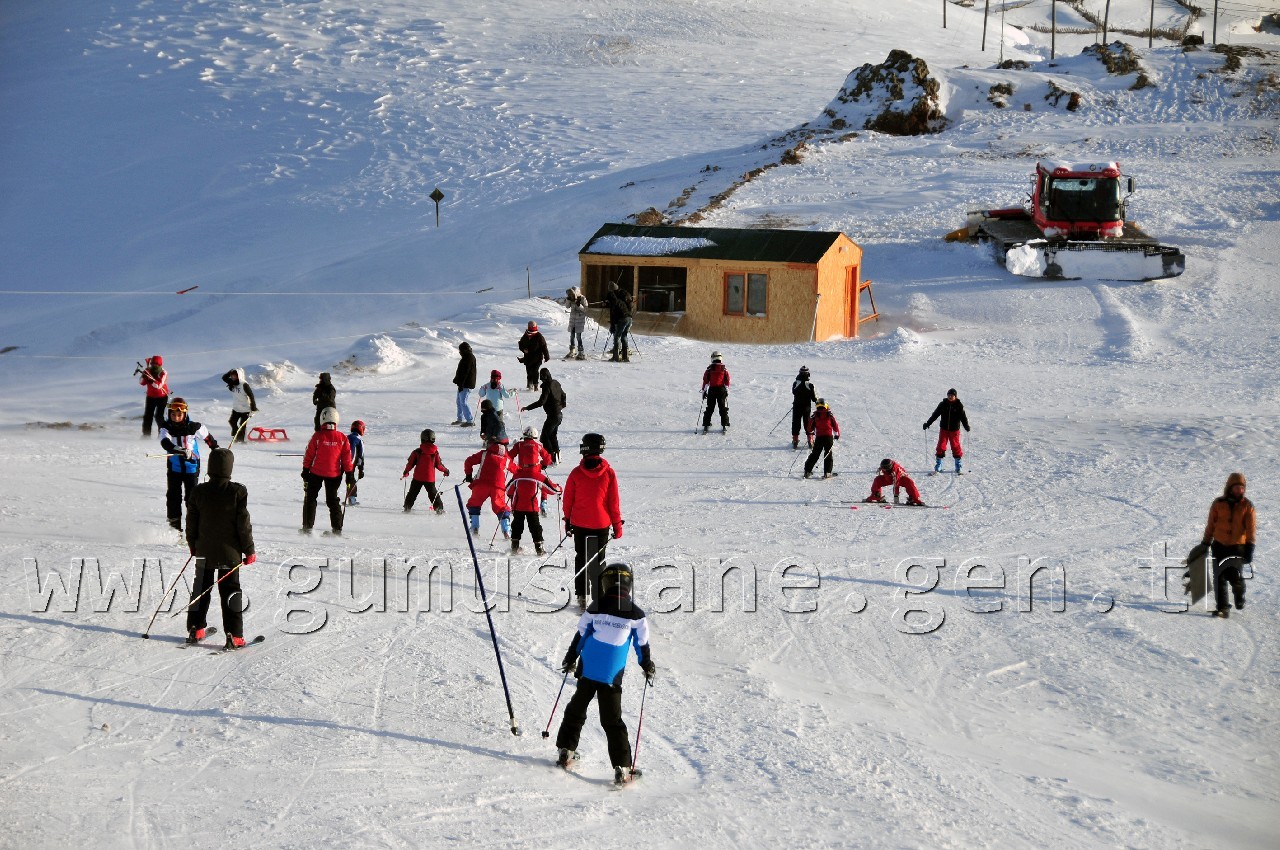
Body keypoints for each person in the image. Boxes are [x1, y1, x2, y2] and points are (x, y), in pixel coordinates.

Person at [555, 562, 655, 786]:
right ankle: (622, 767)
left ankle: (566, 750)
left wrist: (571, 657)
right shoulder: (636, 614)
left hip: (588, 670)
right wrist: (646, 665)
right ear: (629, 585)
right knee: (612, 720)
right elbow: (642, 644)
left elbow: (581, 635)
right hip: (611, 676)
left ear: (605, 583)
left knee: (576, 710)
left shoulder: (594, 607)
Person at [184, 447, 255, 649]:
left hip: (203, 550)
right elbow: (243, 525)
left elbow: (191, 522)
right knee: (231, 591)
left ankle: (195, 628)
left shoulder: (198, 491)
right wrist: (249, 550)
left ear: (209, 466)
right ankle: (235, 635)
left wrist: (192, 545)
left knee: (200, 589)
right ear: (229, 468)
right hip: (230, 553)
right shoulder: (237, 492)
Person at [563, 433, 623, 609]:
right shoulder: (609, 474)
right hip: (601, 524)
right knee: (598, 561)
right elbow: (613, 502)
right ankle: (598, 596)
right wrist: (617, 525)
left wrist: (567, 520)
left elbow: (568, 500)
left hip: (580, 524)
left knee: (581, 558)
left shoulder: (576, 473)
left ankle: (581, 595)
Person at [159, 398, 219, 530]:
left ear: (185, 414)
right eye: (173, 415)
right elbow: (165, 443)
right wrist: (179, 450)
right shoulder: (166, 427)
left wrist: (217, 450)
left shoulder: (194, 427)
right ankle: (174, 528)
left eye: (179, 415)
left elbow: (209, 439)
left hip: (191, 468)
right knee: (173, 497)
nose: (176, 417)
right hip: (174, 468)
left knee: (191, 498)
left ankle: (193, 528)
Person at [1201, 471, 1255, 618]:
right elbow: (1211, 525)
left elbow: (1251, 529)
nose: (1240, 491)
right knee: (1219, 577)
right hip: (1219, 546)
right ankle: (1222, 608)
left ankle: (1239, 593)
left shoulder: (1247, 506)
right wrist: (1206, 542)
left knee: (1233, 575)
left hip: (1237, 547)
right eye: (1237, 487)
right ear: (1230, 488)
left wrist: (1250, 547)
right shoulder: (1218, 504)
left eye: (1242, 488)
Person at [301, 406, 353, 535]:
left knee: (310, 498)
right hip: (334, 474)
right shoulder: (342, 438)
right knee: (332, 500)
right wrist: (349, 474)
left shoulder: (317, 436)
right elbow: (347, 459)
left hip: (316, 473)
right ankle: (337, 529)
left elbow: (309, 454)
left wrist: (305, 469)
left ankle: (307, 528)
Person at [464, 435, 514, 537]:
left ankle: (474, 527)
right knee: (500, 507)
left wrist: (468, 475)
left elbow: (468, 461)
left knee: (474, 503)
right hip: (498, 486)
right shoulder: (506, 458)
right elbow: (517, 471)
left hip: (481, 484)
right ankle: (506, 530)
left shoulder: (484, 454)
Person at [507, 464, 560, 556]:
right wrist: (560, 489)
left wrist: (512, 495)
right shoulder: (538, 476)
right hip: (532, 507)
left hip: (518, 506)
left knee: (516, 525)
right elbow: (553, 490)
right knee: (535, 527)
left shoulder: (517, 475)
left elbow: (508, 489)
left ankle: (514, 547)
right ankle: (539, 548)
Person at [521, 367, 567, 464]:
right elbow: (563, 395)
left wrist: (528, 408)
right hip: (559, 415)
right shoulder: (556, 383)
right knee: (552, 436)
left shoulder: (547, 386)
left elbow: (541, 402)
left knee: (544, 437)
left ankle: (550, 458)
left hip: (553, 416)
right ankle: (557, 456)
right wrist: (562, 405)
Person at [923, 388, 970, 475]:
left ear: (955, 396)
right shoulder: (943, 404)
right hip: (944, 429)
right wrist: (928, 423)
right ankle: (939, 465)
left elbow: (963, 417)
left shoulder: (959, 405)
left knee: (956, 447)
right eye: (949, 395)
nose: (950, 397)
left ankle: (958, 466)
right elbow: (935, 414)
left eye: (952, 395)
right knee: (941, 446)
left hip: (954, 430)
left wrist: (966, 426)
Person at [402, 429, 450, 514]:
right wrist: (445, 470)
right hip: (429, 478)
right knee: (433, 494)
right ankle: (439, 509)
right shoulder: (435, 453)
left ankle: (407, 507)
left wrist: (406, 471)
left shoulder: (417, 451)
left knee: (412, 493)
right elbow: (439, 465)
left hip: (418, 477)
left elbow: (410, 463)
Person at [512, 426, 554, 514]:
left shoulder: (519, 445)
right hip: (535, 470)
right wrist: (543, 465)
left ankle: (514, 503)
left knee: (514, 485)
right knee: (542, 484)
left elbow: (510, 455)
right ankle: (543, 503)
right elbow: (547, 458)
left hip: (521, 470)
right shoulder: (538, 446)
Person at [803, 398, 840, 479]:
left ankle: (807, 471)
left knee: (815, 454)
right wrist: (837, 434)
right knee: (828, 454)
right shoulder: (829, 414)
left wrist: (810, 432)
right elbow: (835, 425)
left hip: (819, 437)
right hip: (828, 438)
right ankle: (827, 472)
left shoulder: (815, 415)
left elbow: (809, 427)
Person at [221, 368, 258, 443]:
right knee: (232, 421)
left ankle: (241, 440)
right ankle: (236, 436)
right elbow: (224, 378)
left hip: (245, 408)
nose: (233, 377)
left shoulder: (244, 384)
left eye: (235, 376)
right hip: (236, 408)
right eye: (232, 376)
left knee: (242, 425)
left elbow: (251, 395)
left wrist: (253, 407)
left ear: (239, 376)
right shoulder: (232, 382)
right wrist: (230, 371)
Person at [477, 369, 515, 440]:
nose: (495, 381)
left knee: (490, 425)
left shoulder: (488, 385)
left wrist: (482, 388)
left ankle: (492, 439)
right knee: (499, 424)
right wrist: (513, 393)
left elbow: (481, 394)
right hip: (496, 409)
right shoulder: (499, 386)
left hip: (491, 409)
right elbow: (507, 395)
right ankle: (497, 439)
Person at [139, 355, 169, 437]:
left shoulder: (163, 372)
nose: (154, 366)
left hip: (162, 396)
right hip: (150, 397)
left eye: (156, 364)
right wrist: (144, 376)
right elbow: (141, 383)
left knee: (159, 416)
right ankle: (146, 435)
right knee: (148, 416)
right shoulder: (148, 371)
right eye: (152, 364)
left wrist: (151, 379)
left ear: (160, 365)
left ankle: (162, 435)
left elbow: (158, 385)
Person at [700, 351, 731, 433]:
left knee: (710, 408)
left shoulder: (709, 369)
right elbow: (727, 380)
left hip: (712, 390)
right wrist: (727, 390)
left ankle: (706, 425)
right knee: (722, 408)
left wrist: (704, 391)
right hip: (721, 390)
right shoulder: (724, 369)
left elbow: (705, 381)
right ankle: (724, 425)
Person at [791, 366, 818, 450]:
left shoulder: (795, 383)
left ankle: (795, 440)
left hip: (796, 406)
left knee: (796, 422)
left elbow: (794, 393)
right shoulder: (810, 385)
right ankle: (810, 440)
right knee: (807, 423)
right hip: (806, 407)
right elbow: (813, 399)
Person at [518, 321, 550, 390]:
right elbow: (520, 344)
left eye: (533, 326)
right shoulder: (525, 335)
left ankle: (535, 385)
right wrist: (524, 349)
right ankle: (529, 385)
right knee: (529, 372)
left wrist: (546, 356)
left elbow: (544, 347)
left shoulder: (539, 336)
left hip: (537, 358)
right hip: (528, 358)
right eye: (530, 326)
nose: (531, 327)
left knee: (535, 371)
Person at [606, 284, 634, 362]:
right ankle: (625, 357)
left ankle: (616, 356)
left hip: (622, 319)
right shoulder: (620, 300)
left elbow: (613, 316)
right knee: (624, 336)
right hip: (629, 318)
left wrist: (612, 326)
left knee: (617, 337)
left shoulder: (614, 303)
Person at [452, 342, 477, 427]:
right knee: (459, 402)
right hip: (462, 384)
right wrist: (457, 379)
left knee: (463, 402)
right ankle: (460, 419)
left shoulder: (469, 357)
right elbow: (461, 370)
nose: (460, 352)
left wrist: (461, 384)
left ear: (465, 350)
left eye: (461, 350)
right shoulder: (466, 357)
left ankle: (470, 421)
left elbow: (466, 372)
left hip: (466, 385)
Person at [345, 420, 366, 506]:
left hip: (340, 461)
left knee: (336, 478)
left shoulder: (346, 437)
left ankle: (332, 496)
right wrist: (361, 470)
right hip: (351, 463)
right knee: (351, 480)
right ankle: (352, 498)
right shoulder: (359, 440)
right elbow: (361, 456)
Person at [565, 288, 589, 360]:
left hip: (579, 320)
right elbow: (567, 306)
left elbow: (585, 309)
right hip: (573, 320)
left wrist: (579, 305)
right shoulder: (571, 298)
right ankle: (572, 350)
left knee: (578, 336)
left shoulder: (582, 298)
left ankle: (581, 352)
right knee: (572, 336)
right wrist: (568, 300)